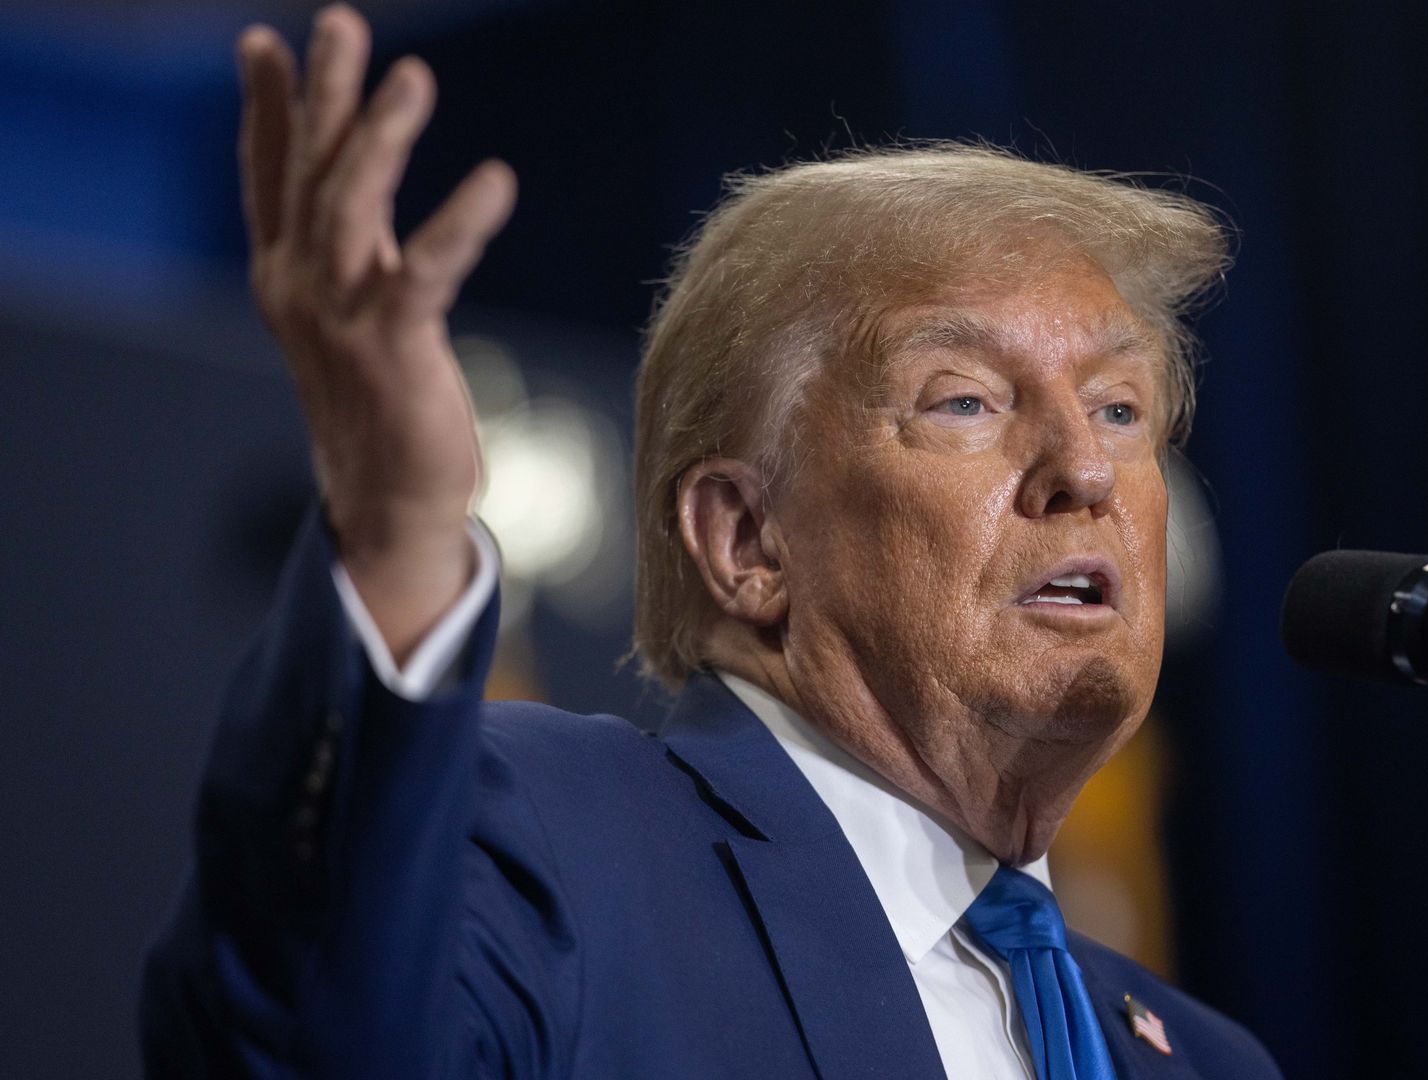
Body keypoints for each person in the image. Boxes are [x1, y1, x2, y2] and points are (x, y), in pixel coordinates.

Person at [140, 5, 1284, 1078]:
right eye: (966, 401)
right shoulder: (549, 849)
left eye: (1121, 410)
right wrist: (395, 536)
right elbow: (316, 1035)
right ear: (747, 540)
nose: (1087, 469)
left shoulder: (1199, 1055)